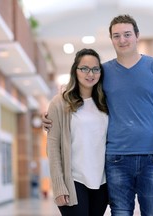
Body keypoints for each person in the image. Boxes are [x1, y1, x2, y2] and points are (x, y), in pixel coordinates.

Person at [43, 15, 153, 216]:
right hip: (117, 159)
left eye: (127, 34)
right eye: (116, 36)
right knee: (120, 212)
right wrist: (52, 116)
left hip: (152, 156)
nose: (122, 40)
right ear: (111, 39)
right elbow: (79, 93)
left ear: (137, 36)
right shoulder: (103, 72)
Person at [46, 48, 109, 216]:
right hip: (74, 181)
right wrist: (59, 186)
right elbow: (53, 147)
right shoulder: (59, 103)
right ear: (75, 70)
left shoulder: (106, 102)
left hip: (101, 183)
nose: (91, 74)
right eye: (85, 68)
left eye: (96, 69)